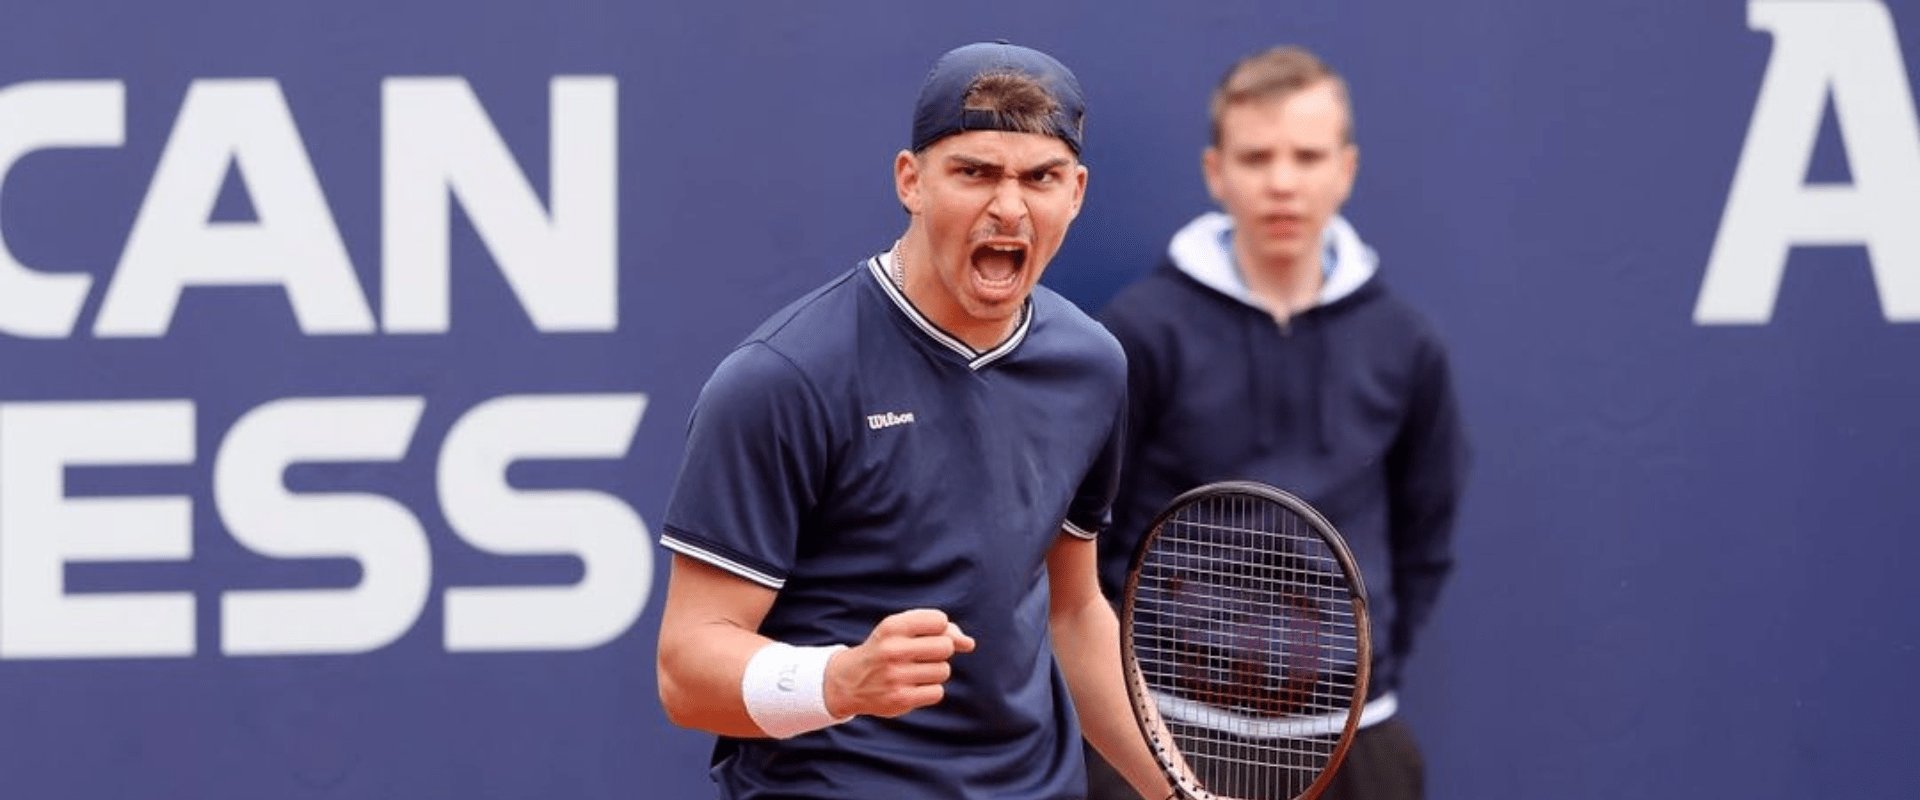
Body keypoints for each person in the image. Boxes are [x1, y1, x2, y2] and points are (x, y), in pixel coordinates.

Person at [654, 41, 1176, 800]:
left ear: (1076, 192)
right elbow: (685, 670)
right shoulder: (783, 379)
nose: (1009, 207)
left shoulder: (1092, 366)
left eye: (1040, 178)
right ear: (912, 182)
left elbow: (1072, 613)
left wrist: (1181, 790)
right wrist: (842, 680)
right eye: (975, 172)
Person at [1085, 45, 1472, 800]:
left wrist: (1364, 667)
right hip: (1163, 737)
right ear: (1216, 172)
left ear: (1346, 169)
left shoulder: (1406, 344)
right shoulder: (1140, 333)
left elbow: (1425, 534)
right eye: (1257, 157)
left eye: (1308, 155)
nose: (1283, 182)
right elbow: (1085, 541)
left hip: (1357, 745)